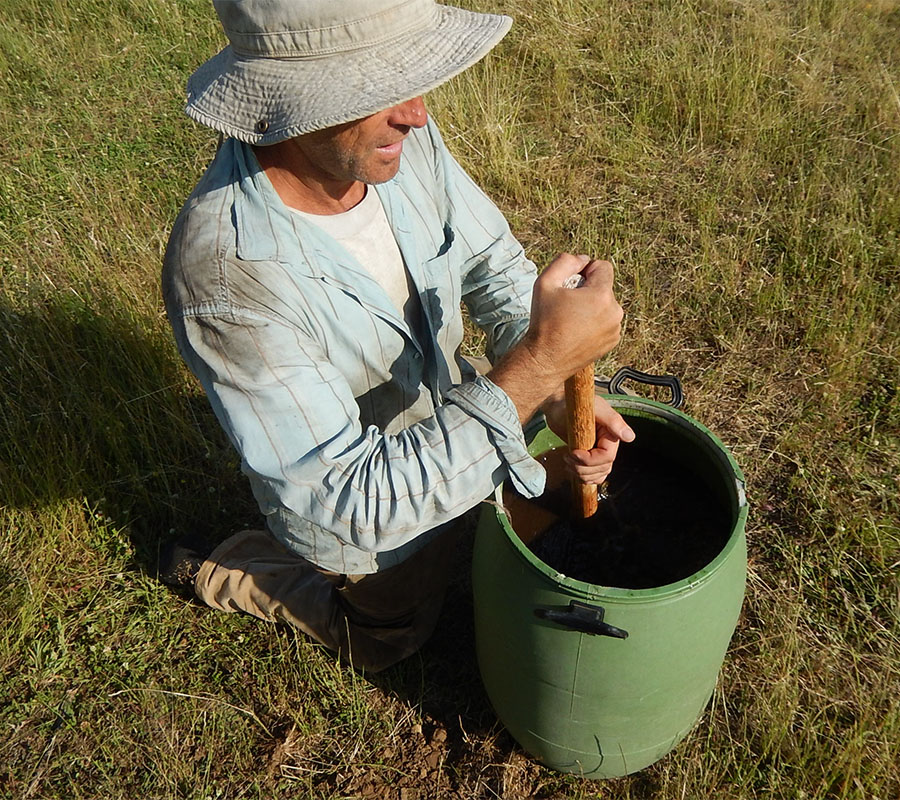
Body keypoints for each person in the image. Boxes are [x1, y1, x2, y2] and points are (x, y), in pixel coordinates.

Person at [161, 0, 634, 672]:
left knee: (517, 513)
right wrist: (537, 367)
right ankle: (236, 569)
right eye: (373, 88)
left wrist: (555, 392)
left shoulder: (390, 140)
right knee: (389, 639)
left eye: (409, 78)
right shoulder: (226, 274)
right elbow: (349, 502)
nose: (415, 112)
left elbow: (490, 263)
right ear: (287, 102)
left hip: (460, 419)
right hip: (371, 529)